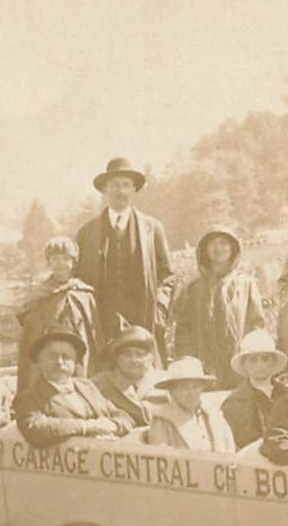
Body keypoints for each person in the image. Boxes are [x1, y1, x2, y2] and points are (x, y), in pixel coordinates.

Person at [73, 157, 174, 361]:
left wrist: (159, 309)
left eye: (126, 185)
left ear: (134, 190)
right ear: (104, 189)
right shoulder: (86, 233)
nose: (121, 191)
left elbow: (168, 278)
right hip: (101, 324)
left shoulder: (152, 228)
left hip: (143, 320)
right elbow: (77, 280)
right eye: (115, 185)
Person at [170, 226, 266, 390]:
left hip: (239, 366)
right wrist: (191, 361)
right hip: (203, 367)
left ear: (233, 249)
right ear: (204, 250)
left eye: (223, 243)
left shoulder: (245, 284)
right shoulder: (193, 288)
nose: (218, 248)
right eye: (212, 244)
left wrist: (250, 361)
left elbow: (256, 325)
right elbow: (183, 330)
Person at [13, 330, 134, 448]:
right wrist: (88, 427)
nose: (59, 362)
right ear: (39, 362)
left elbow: (125, 418)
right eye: (52, 357)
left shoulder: (87, 387)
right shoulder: (28, 398)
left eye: (66, 357)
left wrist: (112, 426)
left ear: (75, 363)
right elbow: (35, 428)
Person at [14, 236, 99, 393]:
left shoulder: (84, 293)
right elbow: (31, 332)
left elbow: (93, 333)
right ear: (49, 262)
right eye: (55, 258)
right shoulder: (39, 295)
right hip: (51, 353)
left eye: (65, 258)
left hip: (79, 352)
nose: (60, 263)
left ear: (73, 262)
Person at [146, 358, 236, 452]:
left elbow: (230, 450)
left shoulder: (213, 414)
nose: (192, 393)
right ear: (172, 392)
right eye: (184, 387)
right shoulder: (162, 419)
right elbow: (161, 460)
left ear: (202, 388)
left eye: (196, 386)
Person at [221, 329, 288, 449]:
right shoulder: (233, 403)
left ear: (273, 361)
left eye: (265, 359)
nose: (259, 364)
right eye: (253, 359)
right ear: (244, 364)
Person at [90, 325, 164, 428]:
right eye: (127, 354)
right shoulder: (100, 383)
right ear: (116, 358)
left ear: (151, 359)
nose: (133, 360)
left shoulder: (164, 383)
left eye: (140, 354)